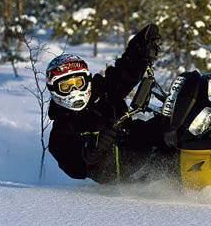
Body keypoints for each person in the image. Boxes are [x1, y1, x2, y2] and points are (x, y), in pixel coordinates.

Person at [46, 23, 169, 184]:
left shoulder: (104, 91)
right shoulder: (60, 134)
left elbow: (125, 72)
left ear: (87, 80)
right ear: (55, 90)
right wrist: (91, 152)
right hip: (125, 184)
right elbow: (74, 168)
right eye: (66, 86)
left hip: (145, 145)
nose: (75, 89)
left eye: (78, 82)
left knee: (179, 120)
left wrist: (142, 47)